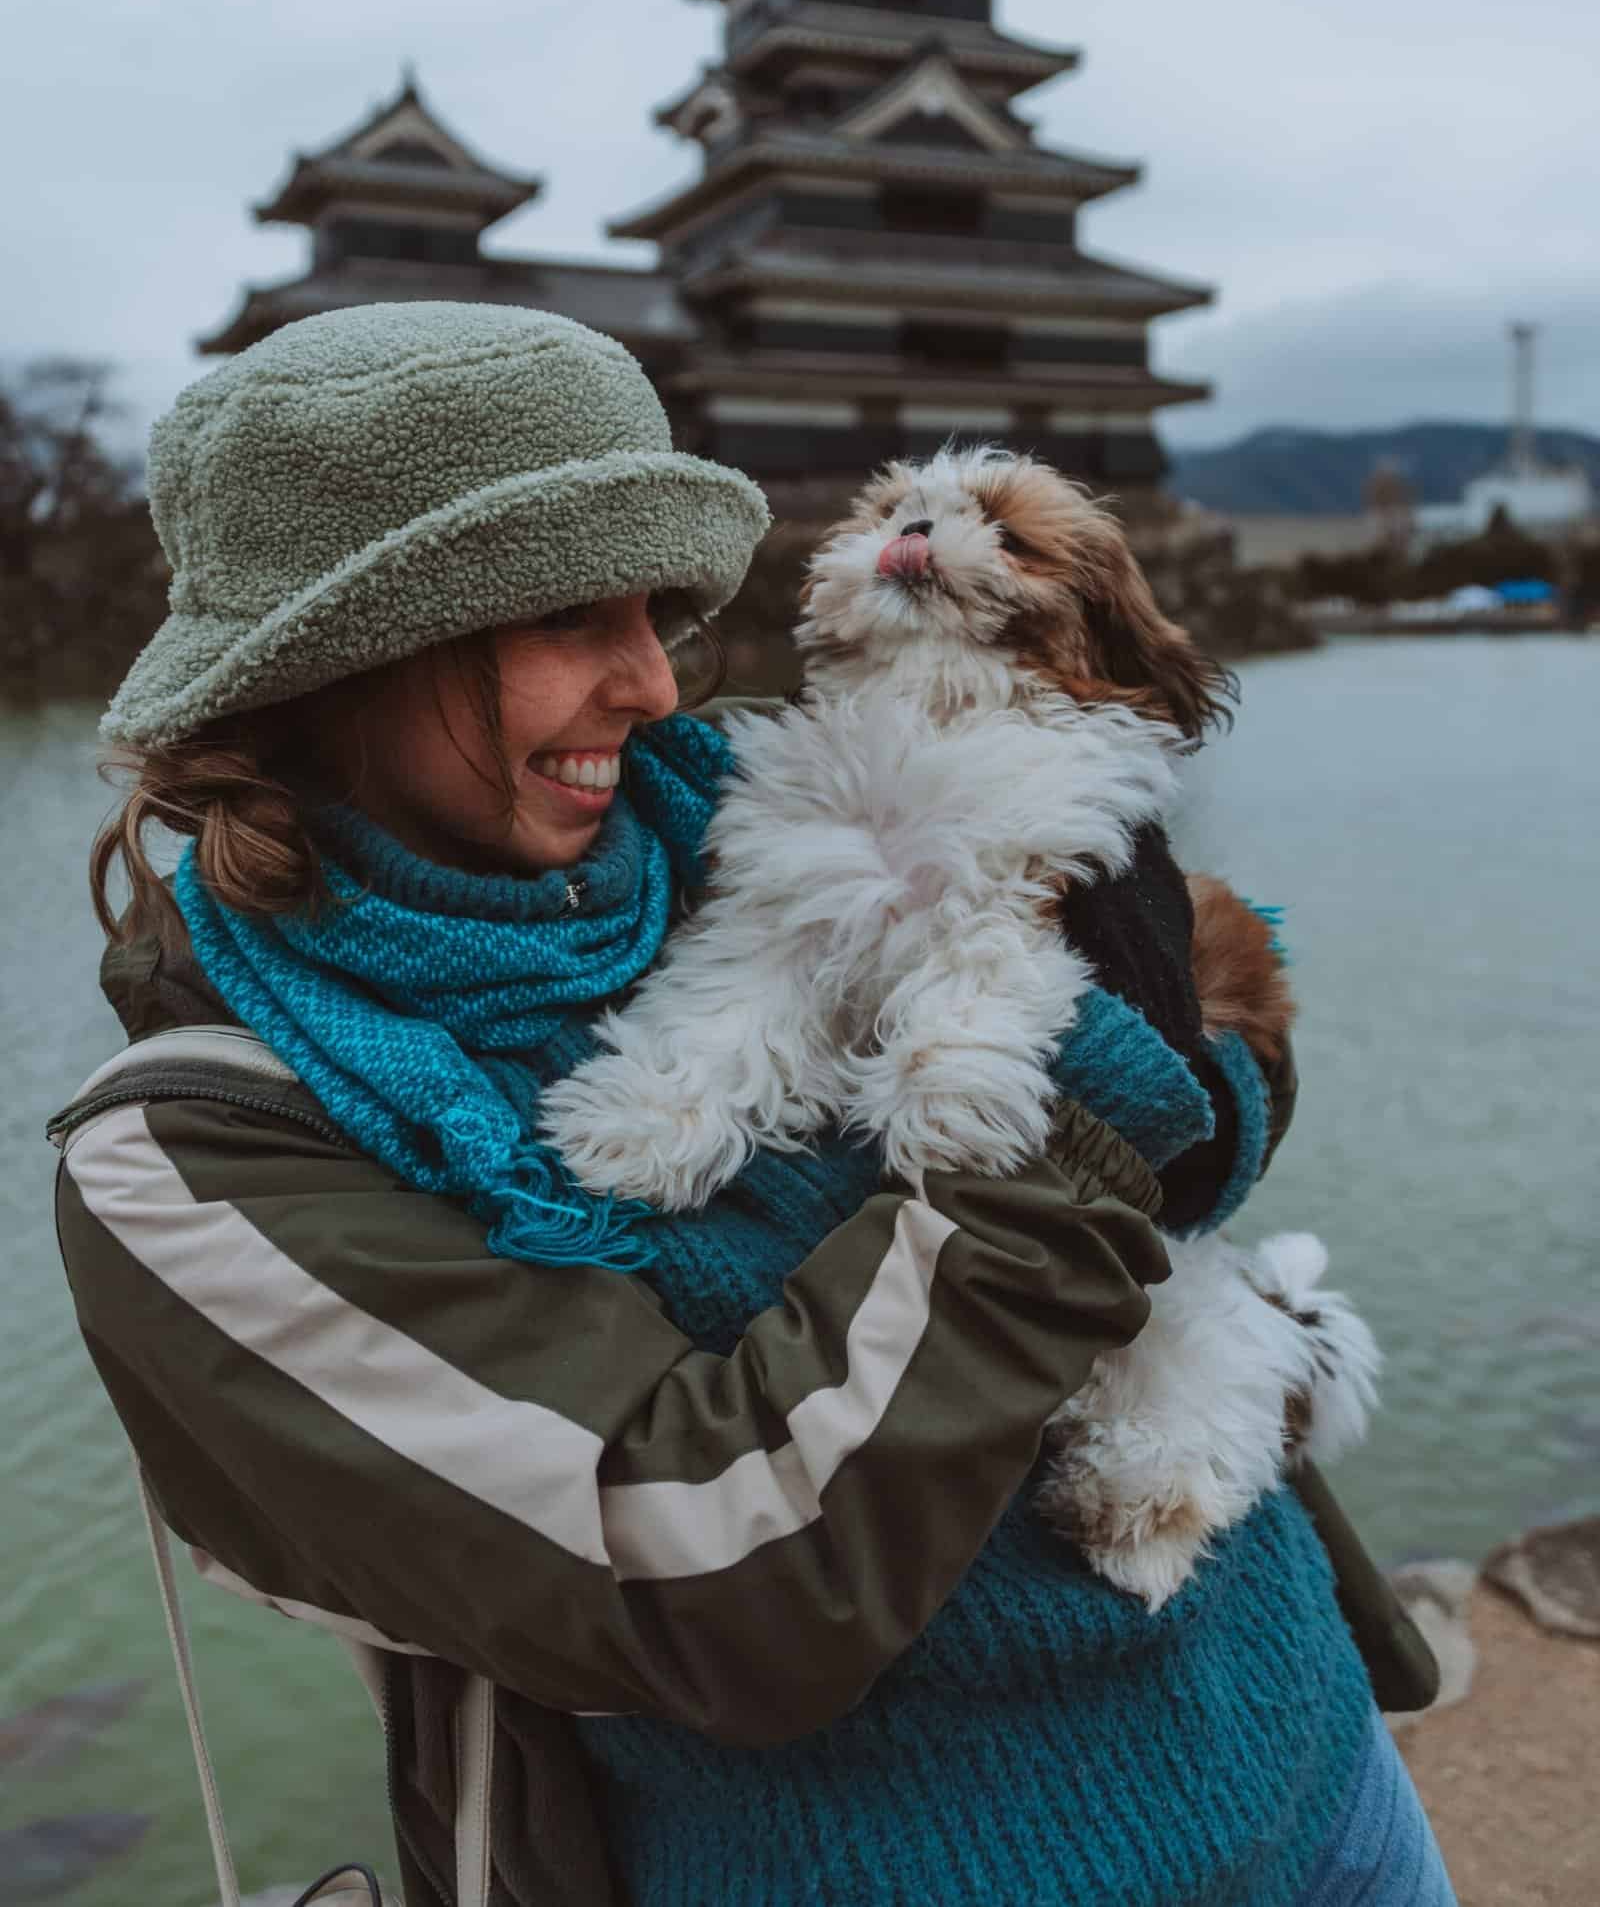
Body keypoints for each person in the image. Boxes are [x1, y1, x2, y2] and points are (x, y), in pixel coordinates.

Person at [53, 301, 1456, 1907]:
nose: (654, 679)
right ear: (347, 657)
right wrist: (1072, 1118)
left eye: (656, 607)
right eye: (574, 612)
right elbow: (717, 1580)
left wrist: (1189, 1034)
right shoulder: (202, 1157)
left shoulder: (755, 795)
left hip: (1316, 1771)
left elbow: (1219, 1097)